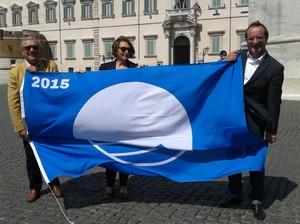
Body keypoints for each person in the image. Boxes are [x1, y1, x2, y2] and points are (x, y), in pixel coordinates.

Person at [220, 21, 284, 220]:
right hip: (233, 119)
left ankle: (256, 199)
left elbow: (274, 102)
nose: (255, 41)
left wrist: (272, 128)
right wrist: (224, 63)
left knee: (256, 162)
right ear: (246, 40)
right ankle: (235, 193)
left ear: (266, 39)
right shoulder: (236, 59)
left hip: (256, 120)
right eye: (251, 38)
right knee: (233, 158)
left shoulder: (275, 68)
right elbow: (220, 77)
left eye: (259, 37)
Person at [7, 36, 63, 203]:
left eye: (35, 47)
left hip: (49, 122)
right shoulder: (16, 72)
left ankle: (54, 183)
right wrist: (19, 127)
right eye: (28, 48)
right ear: (22, 51)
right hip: (30, 124)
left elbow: (59, 88)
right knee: (31, 158)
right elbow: (13, 101)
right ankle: (34, 187)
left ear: (39, 50)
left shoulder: (50, 66)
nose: (32, 50)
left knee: (50, 154)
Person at [99, 36, 138, 199]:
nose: (126, 52)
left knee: (124, 153)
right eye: (123, 49)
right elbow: (95, 87)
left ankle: (123, 184)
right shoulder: (105, 68)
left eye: (128, 49)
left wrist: (145, 72)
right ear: (116, 50)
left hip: (127, 118)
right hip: (109, 118)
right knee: (110, 153)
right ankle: (109, 184)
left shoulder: (135, 68)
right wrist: (80, 78)